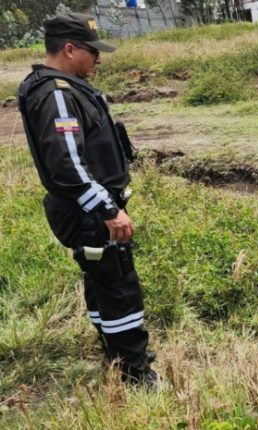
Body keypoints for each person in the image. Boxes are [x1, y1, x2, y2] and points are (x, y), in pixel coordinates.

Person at [16, 13, 156, 385]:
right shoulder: (58, 94)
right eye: (92, 52)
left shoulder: (59, 86)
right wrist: (109, 210)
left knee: (103, 281)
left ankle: (117, 353)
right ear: (68, 48)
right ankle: (135, 373)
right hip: (90, 213)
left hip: (87, 211)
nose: (98, 59)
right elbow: (67, 165)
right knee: (119, 287)